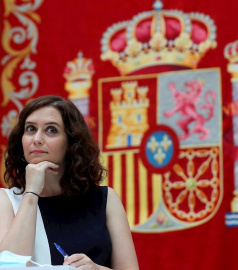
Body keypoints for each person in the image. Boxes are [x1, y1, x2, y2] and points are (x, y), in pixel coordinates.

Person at [0, 95, 139, 270]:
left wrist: (97, 269)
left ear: (71, 142)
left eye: (51, 130)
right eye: (30, 129)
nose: (37, 138)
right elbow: (9, 266)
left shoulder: (105, 199)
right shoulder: (6, 200)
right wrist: (31, 192)